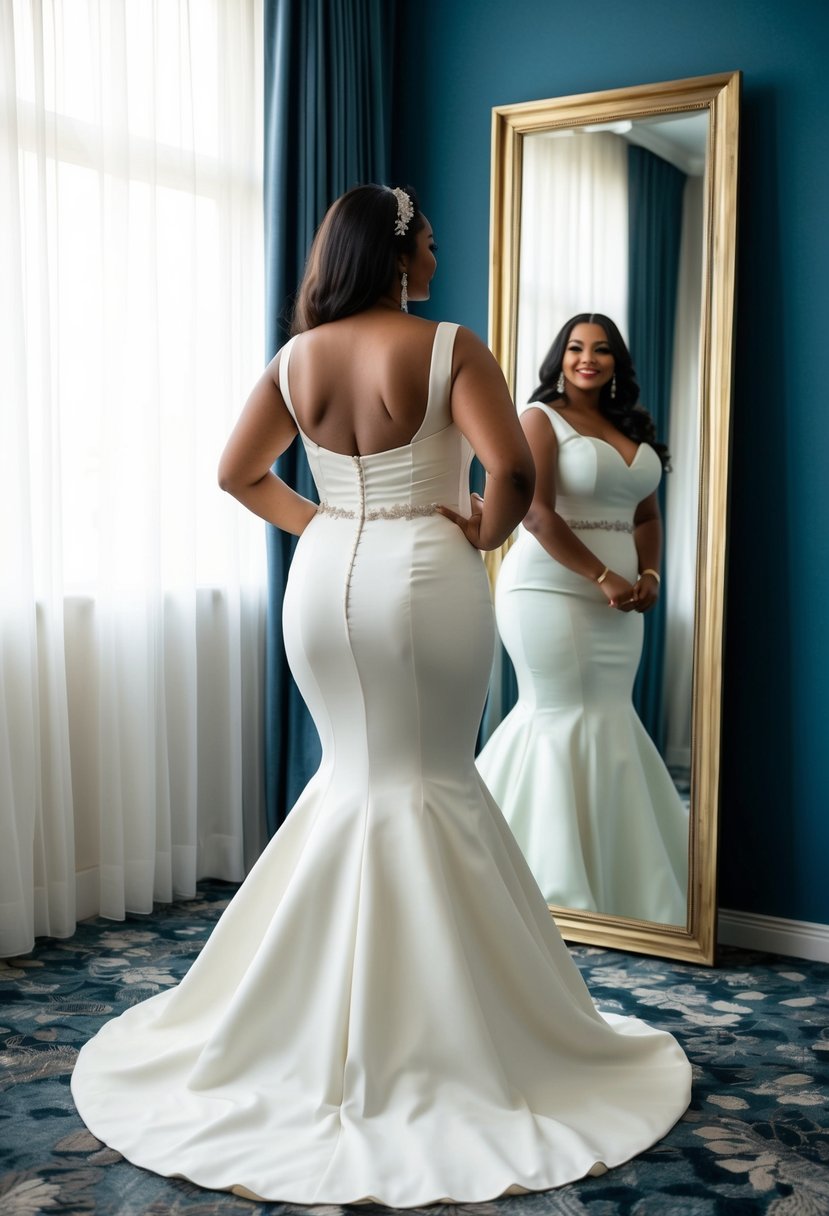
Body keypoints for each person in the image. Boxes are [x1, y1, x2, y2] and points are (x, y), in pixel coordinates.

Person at [71, 197, 690, 1206]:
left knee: (355, 775)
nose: (438, 253)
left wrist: (322, 523)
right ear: (399, 251)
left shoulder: (298, 355)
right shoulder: (450, 344)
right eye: (431, 240)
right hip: (423, 572)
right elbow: (515, 467)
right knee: (430, 778)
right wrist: (481, 529)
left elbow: (237, 473)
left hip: (323, 580)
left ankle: (298, 1019)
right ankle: (438, 1032)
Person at [477, 313, 689, 924]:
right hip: (550, 591)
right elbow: (535, 513)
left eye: (600, 350)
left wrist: (648, 576)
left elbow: (646, 518)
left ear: (617, 363)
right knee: (559, 716)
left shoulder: (632, 429)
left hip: (627, 601)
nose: (586, 358)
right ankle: (538, 887)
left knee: (609, 717)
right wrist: (602, 576)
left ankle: (622, 884)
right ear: (559, 357)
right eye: (574, 348)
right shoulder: (539, 419)